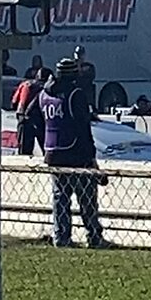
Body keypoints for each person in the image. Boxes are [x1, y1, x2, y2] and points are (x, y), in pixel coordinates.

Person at [39, 58, 108, 249]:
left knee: (60, 198)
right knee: (86, 197)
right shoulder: (75, 94)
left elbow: (35, 117)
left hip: (52, 151)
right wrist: (91, 156)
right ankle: (93, 236)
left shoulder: (44, 94)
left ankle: (61, 236)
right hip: (76, 152)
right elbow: (83, 127)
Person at [14, 67, 50, 156]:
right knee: (47, 148)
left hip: (24, 118)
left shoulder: (25, 84)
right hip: (42, 119)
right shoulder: (48, 88)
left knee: (24, 151)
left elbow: (14, 102)